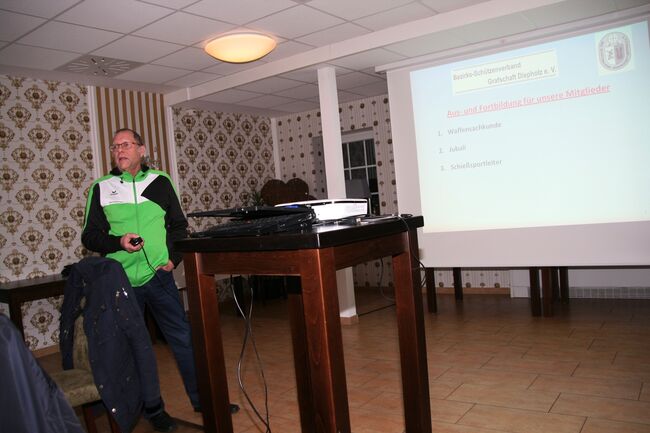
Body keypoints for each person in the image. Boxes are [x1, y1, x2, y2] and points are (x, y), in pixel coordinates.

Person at [81, 128, 238, 432]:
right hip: (120, 282)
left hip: (159, 277)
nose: (119, 150)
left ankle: (203, 400)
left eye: (125, 145)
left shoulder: (160, 182)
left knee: (183, 338)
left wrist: (173, 259)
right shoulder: (101, 188)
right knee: (137, 347)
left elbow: (178, 225)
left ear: (141, 150)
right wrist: (118, 242)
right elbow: (89, 236)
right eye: (114, 147)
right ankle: (153, 409)